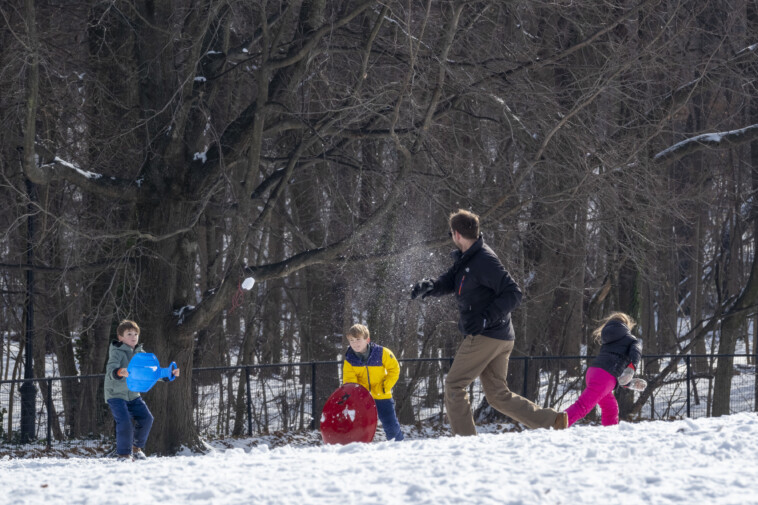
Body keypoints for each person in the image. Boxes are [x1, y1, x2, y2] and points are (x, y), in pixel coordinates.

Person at [411, 209, 567, 435]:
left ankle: (466, 442)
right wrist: (431, 286)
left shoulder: (483, 260)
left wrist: (485, 319)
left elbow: (513, 293)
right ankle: (552, 420)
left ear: (456, 234)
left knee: (454, 385)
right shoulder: (468, 258)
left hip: (486, 335)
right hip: (500, 336)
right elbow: (451, 280)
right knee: (498, 396)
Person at [104, 319, 180, 460]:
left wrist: (169, 374)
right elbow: (110, 370)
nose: (133, 336)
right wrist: (119, 372)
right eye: (129, 334)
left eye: (135, 334)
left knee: (147, 418)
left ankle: (136, 448)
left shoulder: (140, 353)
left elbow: (150, 373)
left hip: (133, 394)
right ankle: (124, 454)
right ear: (121, 337)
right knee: (125, 421)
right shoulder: (117, 351)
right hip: (116, 394)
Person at [564, 312, 642, 427]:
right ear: (627, 325)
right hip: (604, 376)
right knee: (582, 406)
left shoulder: (609, 340)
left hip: (593, 372)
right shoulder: (630, 340)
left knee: (610, 408)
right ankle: (555, 424)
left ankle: (610, 434)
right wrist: (631, 369)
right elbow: (636, 352)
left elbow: (614, 367)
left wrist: (628, 382)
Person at [342, 324, 404, 441]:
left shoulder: (382, 353)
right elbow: (350, 382)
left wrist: (384, 387)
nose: (355, 343)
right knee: (359, 427)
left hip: (382, 395)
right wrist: (359, 395)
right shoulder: (350, 360)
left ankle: (398, 447)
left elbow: (394, 369)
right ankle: (360, 451)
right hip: (363, 399)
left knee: (391, 425)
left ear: (367, 340)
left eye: (358, 339)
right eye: (351, 340)